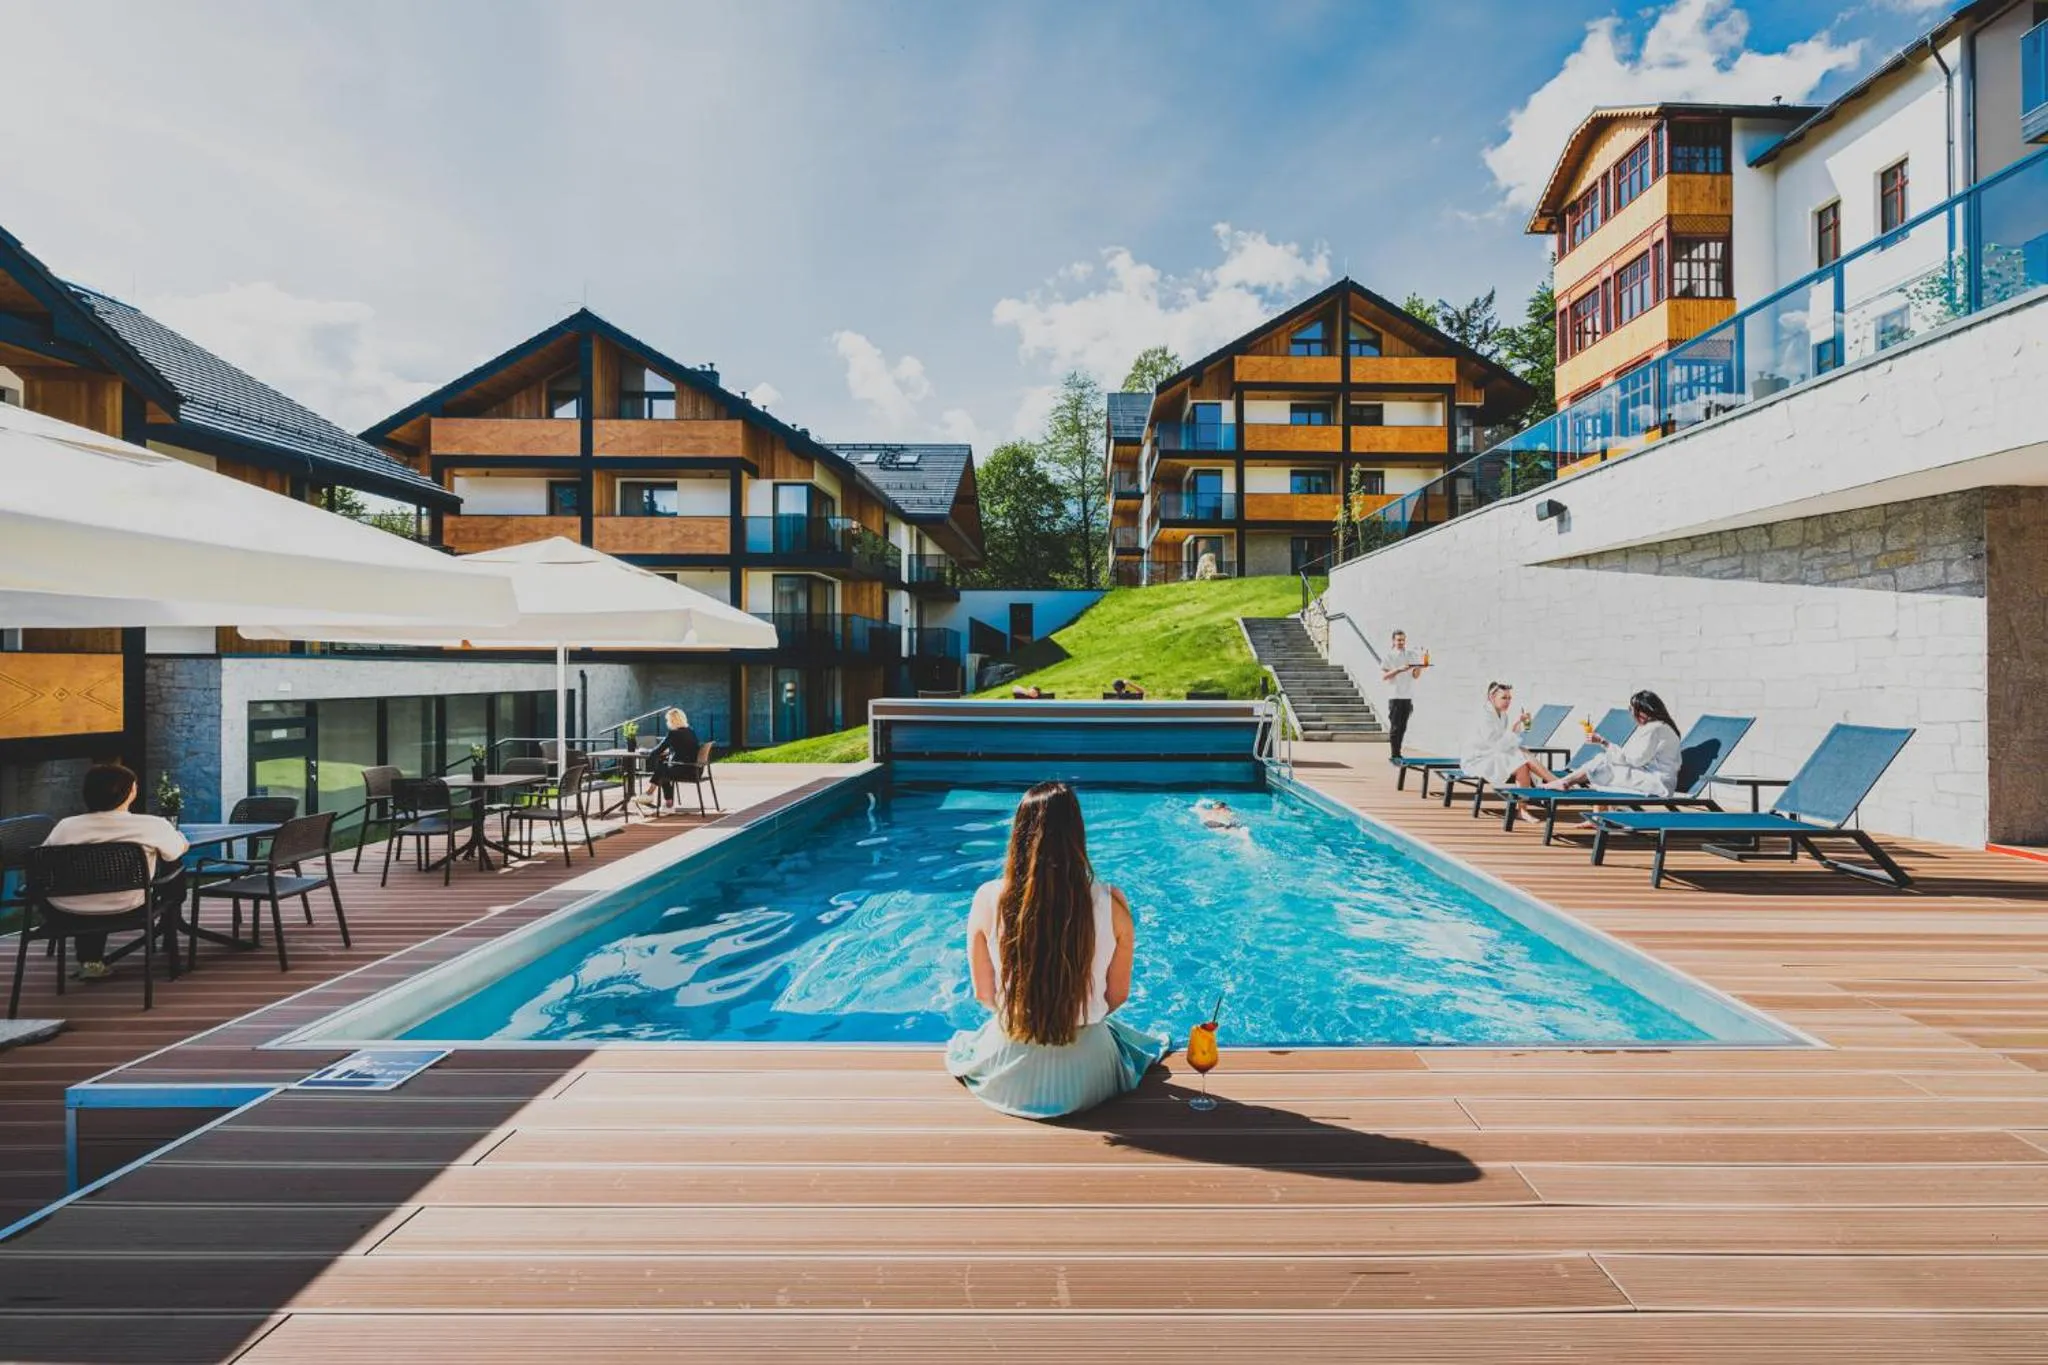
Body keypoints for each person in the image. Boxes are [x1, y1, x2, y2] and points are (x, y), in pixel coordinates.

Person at [947, 781, 1167, 1119]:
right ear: (1077, 836)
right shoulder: (1112, 901)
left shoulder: (987, 898)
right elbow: (1118, 996)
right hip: (1087, 1075)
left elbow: (984, 994)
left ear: (1018, 833)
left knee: (964, 1044)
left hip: (1009, 1069)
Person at [40, 764, 189, 980]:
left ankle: (90, 962)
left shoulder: (65, 827)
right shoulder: (152, 825)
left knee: (93, 884)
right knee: (174, 864)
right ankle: (170, 926)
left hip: (67, 911)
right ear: (131, 792)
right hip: (129, 907)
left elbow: (44, 861)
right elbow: (176, 849)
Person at [1546, 690, 1683, 797]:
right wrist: (1605, 744)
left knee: (1603, 765)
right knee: (1603, 762)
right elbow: (1633, 757)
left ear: (1643, 711)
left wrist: (1604, 742)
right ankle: (1593, 811)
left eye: (1632, 709)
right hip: (1654, 777)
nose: (1631, 713)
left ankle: (1566, 782)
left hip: (1657, 783)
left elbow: (1636, 760)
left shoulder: (1654, 728)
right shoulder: (1659, 726)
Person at [1459, 682, 1552, 791]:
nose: (1507, 702)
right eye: (1504, 698)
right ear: (1492, 697)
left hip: (1492, 755)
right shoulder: (1485, 716)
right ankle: (1555, 781)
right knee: (1522, 757)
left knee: (1522, 764)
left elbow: (1505, 743)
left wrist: (1517, 726)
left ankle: (1522, 807)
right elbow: (1498, 746)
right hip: (1479, 760)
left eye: (1509, 698)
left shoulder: (1503, 715)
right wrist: (1515, 725)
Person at [1380, 630, 1427, 763]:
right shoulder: (1389, 656)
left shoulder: (1411, 655)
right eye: (1398, 640)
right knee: (1395, 726)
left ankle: (1398, 752)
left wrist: (1420, 667)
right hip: (1395, 696)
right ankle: (1395, 754)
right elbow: (1385, 676)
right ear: (1393, 641)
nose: (1400, 642)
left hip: (1407, 696)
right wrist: (1400, 669)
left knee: (1403, 726)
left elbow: (1415, 676)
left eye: (1402, 640)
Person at [643, 708, 702, 814]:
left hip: (683, 769)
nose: (667, 722)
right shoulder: (690, 732)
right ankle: (659, 799)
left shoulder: (673, 733)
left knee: (662, 769)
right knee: (663, 768)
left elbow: (657, 751)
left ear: (672, 721)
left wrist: (645, 752)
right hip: (695, 769)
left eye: (667, 720)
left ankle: (651, 794)